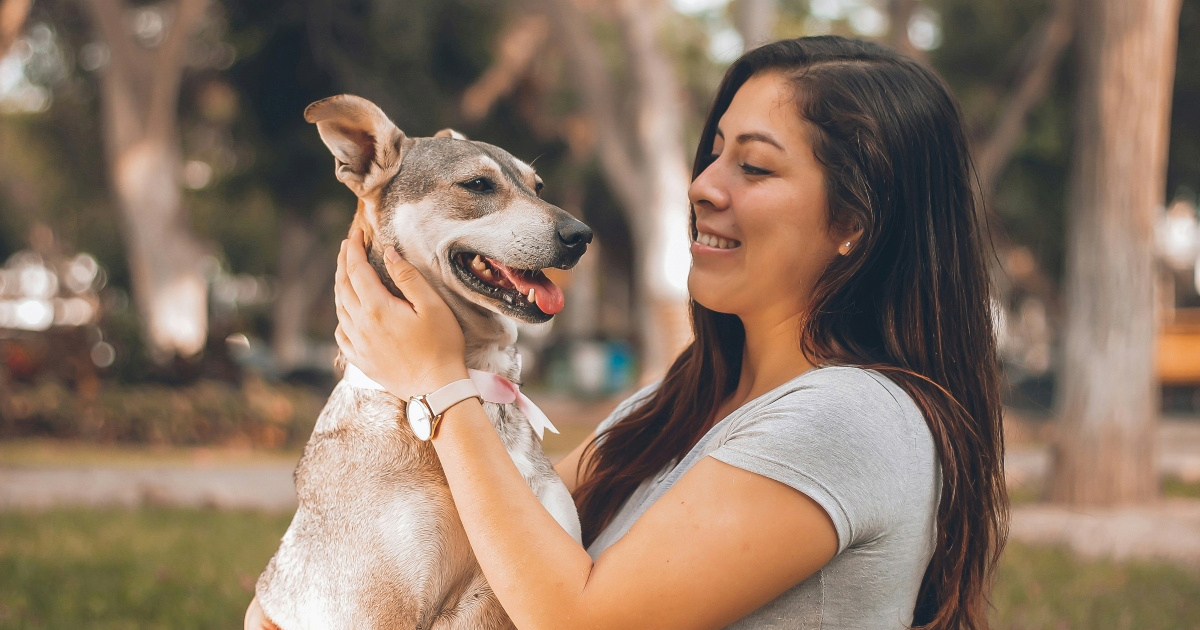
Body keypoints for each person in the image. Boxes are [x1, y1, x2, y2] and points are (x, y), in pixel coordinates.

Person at [246, 35, 1007, 630]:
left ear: (852, 223)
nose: (703, 186)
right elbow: (482, 527)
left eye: (755, 168)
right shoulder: (669, 407)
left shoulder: (851, 420)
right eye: (714, 153)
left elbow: (576, 617)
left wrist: (440, 383)